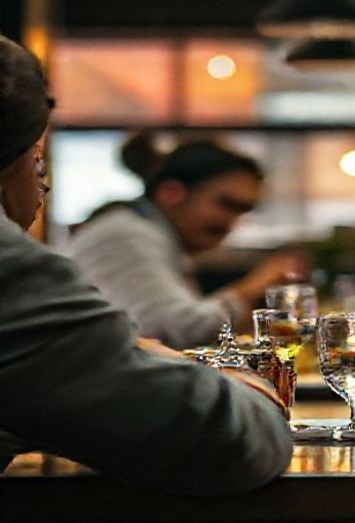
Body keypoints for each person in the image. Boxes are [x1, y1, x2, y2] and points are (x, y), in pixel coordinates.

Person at [0, 35, 292, 494]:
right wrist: (251, 383)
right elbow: (219, 439)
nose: (43, 185)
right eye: (36, 160)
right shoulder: (116, 238)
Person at [67, 132, 307, 349]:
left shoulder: (149, 233)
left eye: (242, 211)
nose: (232, 223)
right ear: (171, 193)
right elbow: (181, 330)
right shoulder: (127, 235)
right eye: (225, 204)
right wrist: (257, 283)